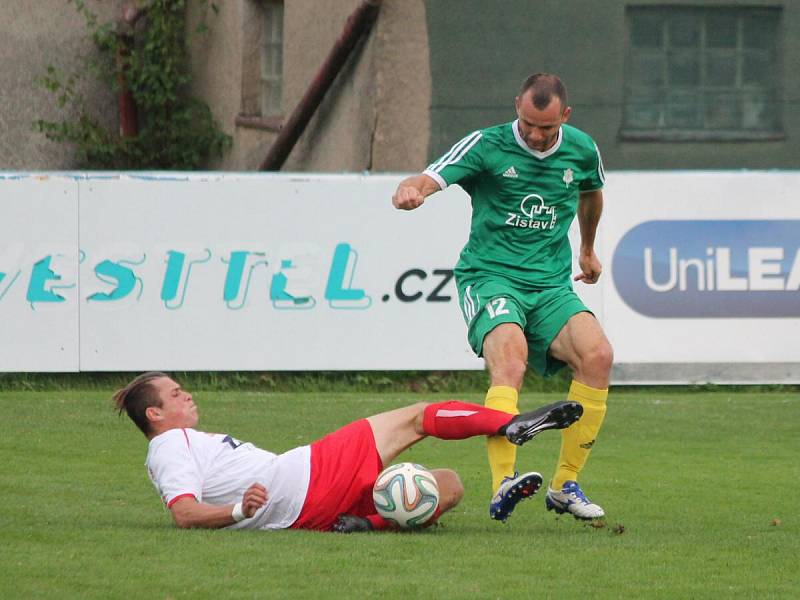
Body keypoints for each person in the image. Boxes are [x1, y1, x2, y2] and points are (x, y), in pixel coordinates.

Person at [392, 73, 613, 522]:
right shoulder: (486, 145)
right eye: (527, 122)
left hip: (550, 284)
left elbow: (591, 193)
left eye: (546, 128)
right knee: (510, 360)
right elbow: (434, 174)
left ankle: (565, 485)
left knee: (598, 355)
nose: (534, 134)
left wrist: (587, 248)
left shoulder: (583, 149)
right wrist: (413, 189)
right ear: (517, 105)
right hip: (490, 277)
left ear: (565, 118)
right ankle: (503, 483)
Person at [114, 371, 582, 532]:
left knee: (449, 485)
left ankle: (369, 523)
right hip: (310, 477)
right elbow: (185, 515)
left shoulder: (182, 442)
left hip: (312, 507)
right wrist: (238, 510)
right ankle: (511, 424)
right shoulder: (169, 445)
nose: (186, 395)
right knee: (418, 417)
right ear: (154, 415)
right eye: (174, 394)